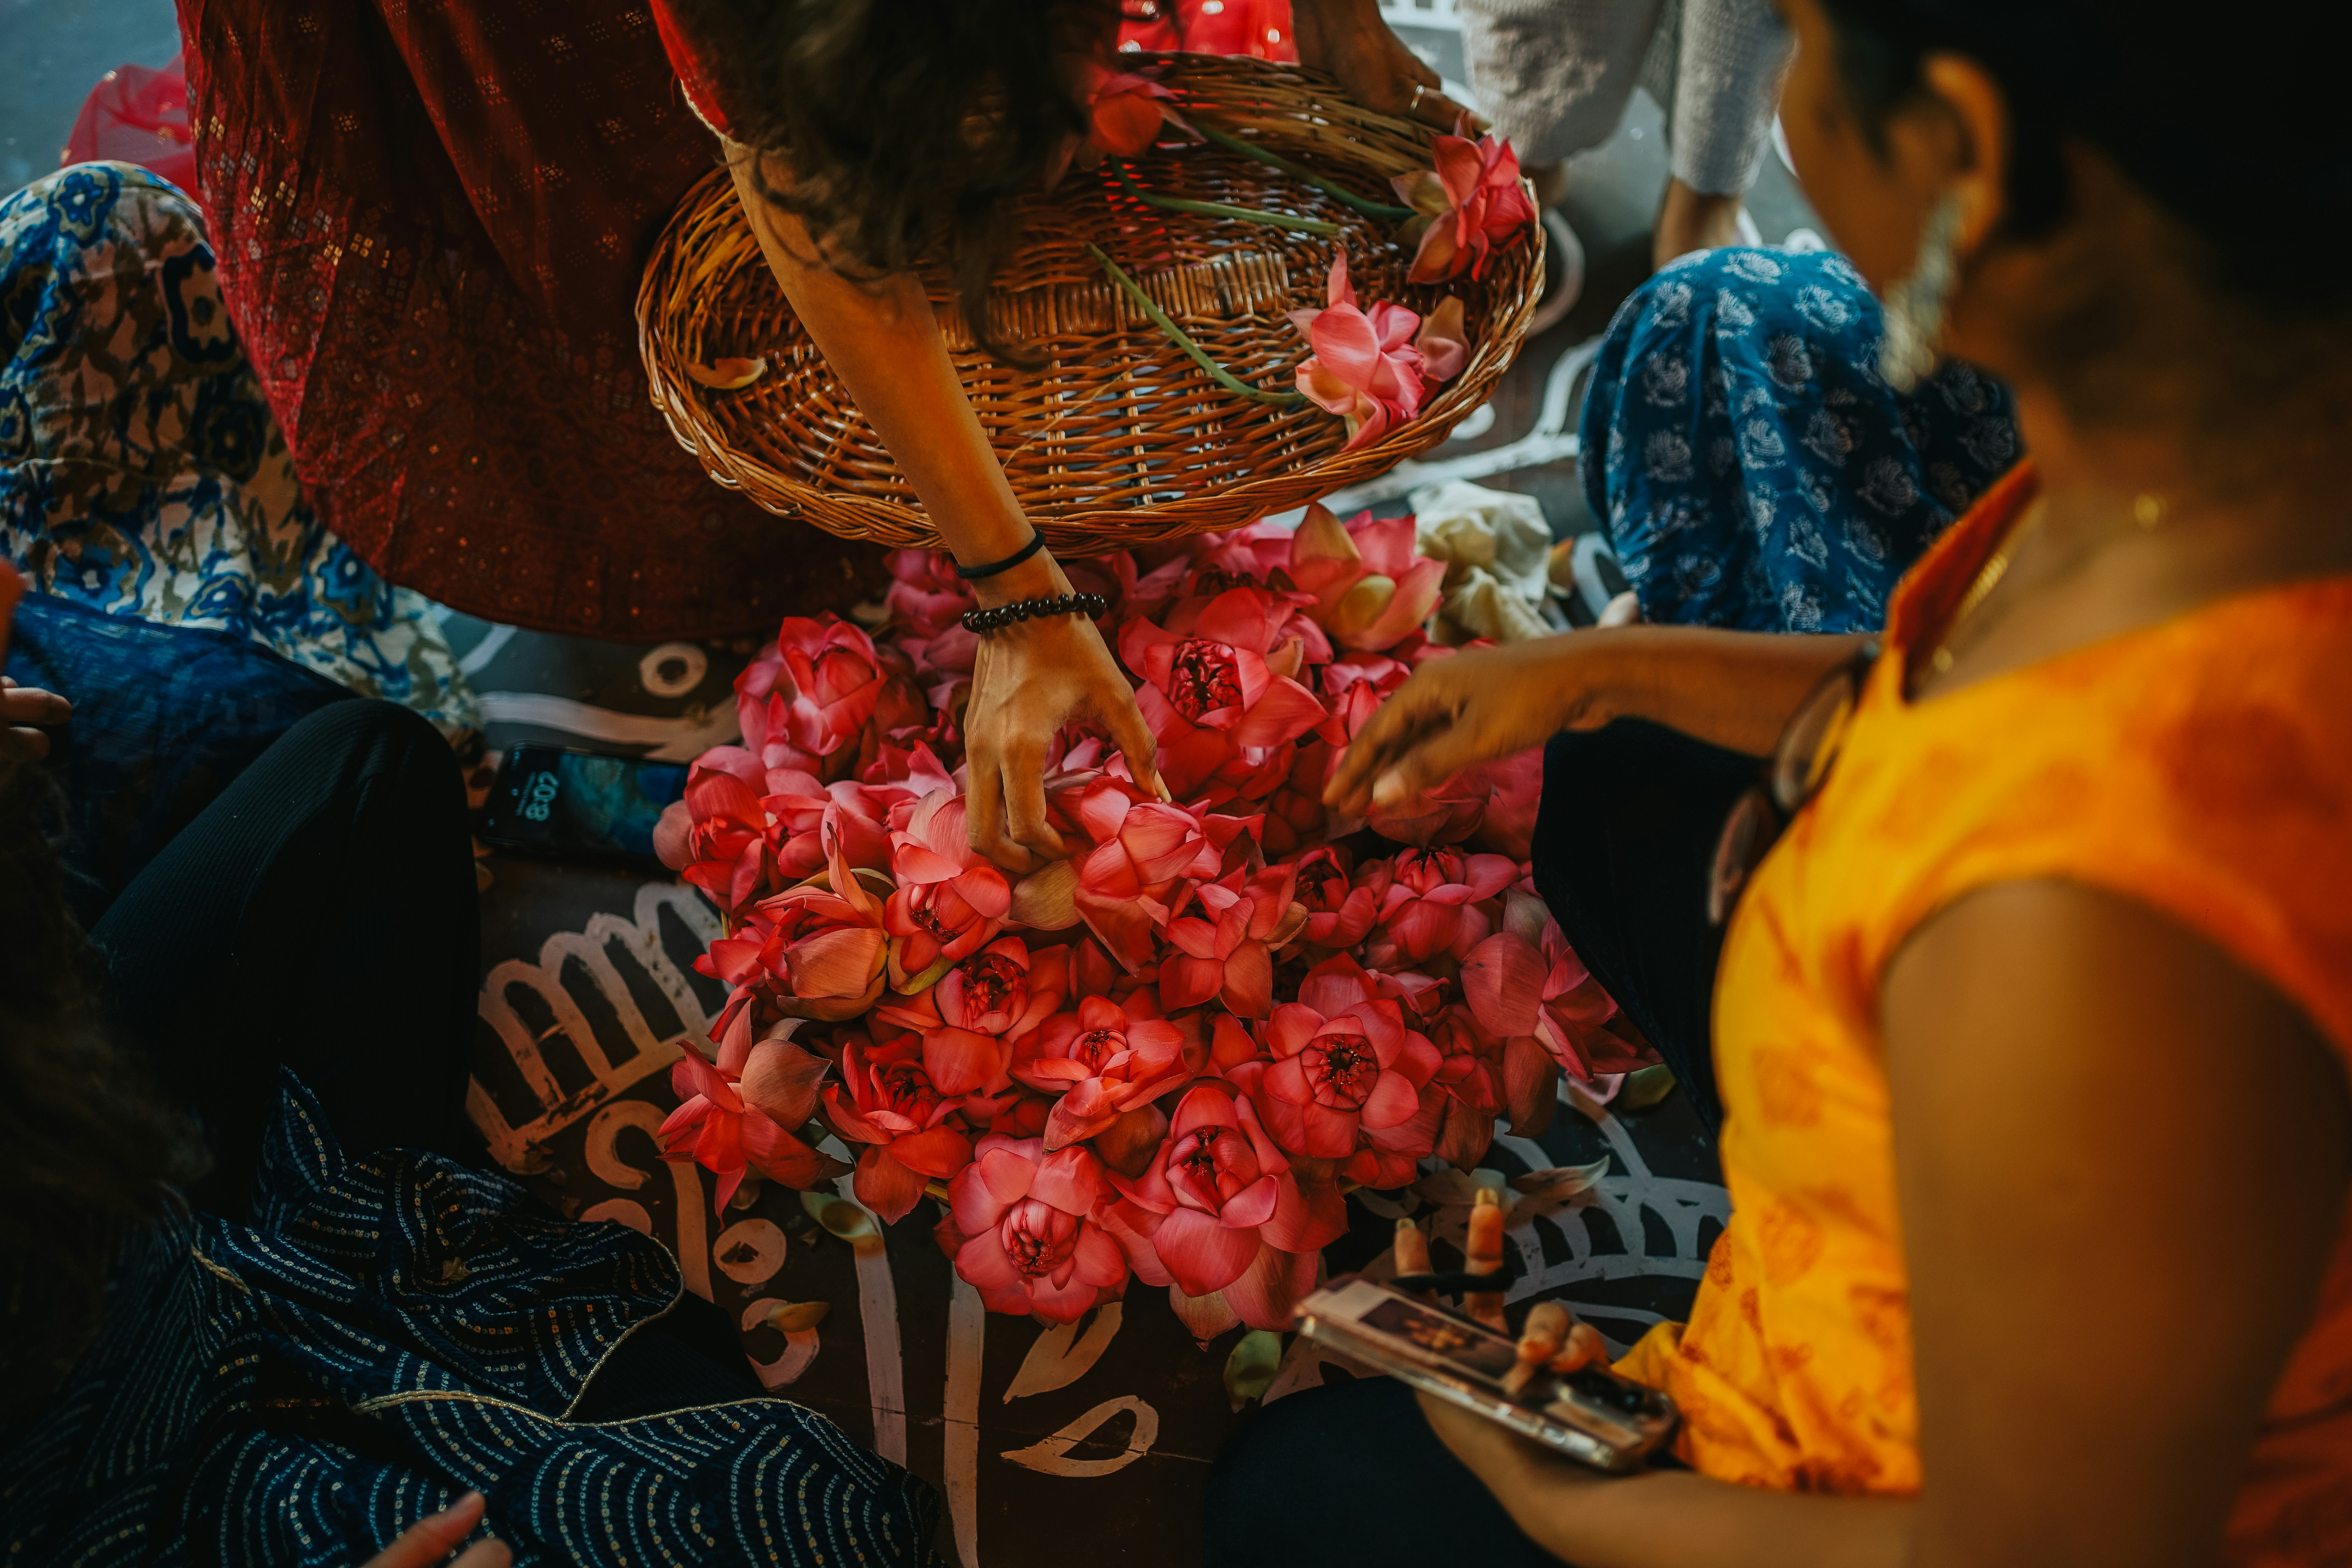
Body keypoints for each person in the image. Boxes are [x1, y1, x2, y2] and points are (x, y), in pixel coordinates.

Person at [1209, 0, 2352, 1563]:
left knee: (1296, 1504)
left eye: (1803, 32)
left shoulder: (2089, 930)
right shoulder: (2207, 462)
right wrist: (1586, 670)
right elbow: (1916, 687)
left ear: (1963, 142)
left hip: (1952, 1489)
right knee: (1618, 766)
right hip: (1997, 1218)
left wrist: (1571, 1505)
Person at [0, 567, 947, 1565]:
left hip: (94, 1197)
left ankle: (341, 1222)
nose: (18, 577)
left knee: (369, 763)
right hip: (98, 1482)